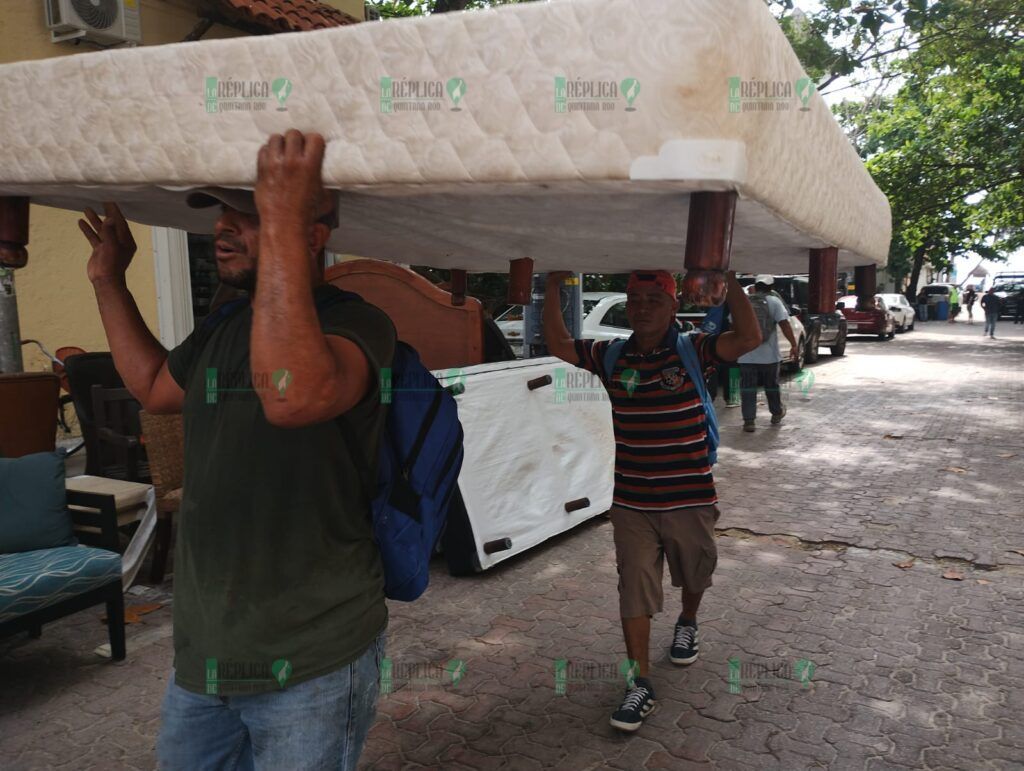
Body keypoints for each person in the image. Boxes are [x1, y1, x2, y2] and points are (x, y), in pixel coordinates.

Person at [80, 130, 395, 771]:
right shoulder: (224, 326)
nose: (222, 229)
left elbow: (291, 395)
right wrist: (107, 279)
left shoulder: (357, 324)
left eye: (246, 213)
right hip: (204, 656)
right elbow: (151, 386)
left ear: (310, 233)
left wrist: (281, 213)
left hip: (312, 660)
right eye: (223, 213)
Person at [542, 269, 761, 733]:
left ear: (673, 306)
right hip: (632, 500)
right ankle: (638, 682)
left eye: (653, 300)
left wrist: (731, 280)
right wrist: (554, 287)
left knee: (695, 572)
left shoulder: (694, 348)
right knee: (633, 586)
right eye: (635, 299)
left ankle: (688, 619)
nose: (642, 307)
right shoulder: (611, 355)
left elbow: (747, 336)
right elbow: (560, 345)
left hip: (690, 496)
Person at [738, 275, 799, 432]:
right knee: (771, 386)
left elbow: (734, 324)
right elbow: (785, 324)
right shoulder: (774, 301)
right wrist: (793, 344)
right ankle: (776, 413)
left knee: (748, 388)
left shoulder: (745, 302)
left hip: (746, 355)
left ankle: (749, 421)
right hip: (769, 356)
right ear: (771, 288)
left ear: (756, 286)